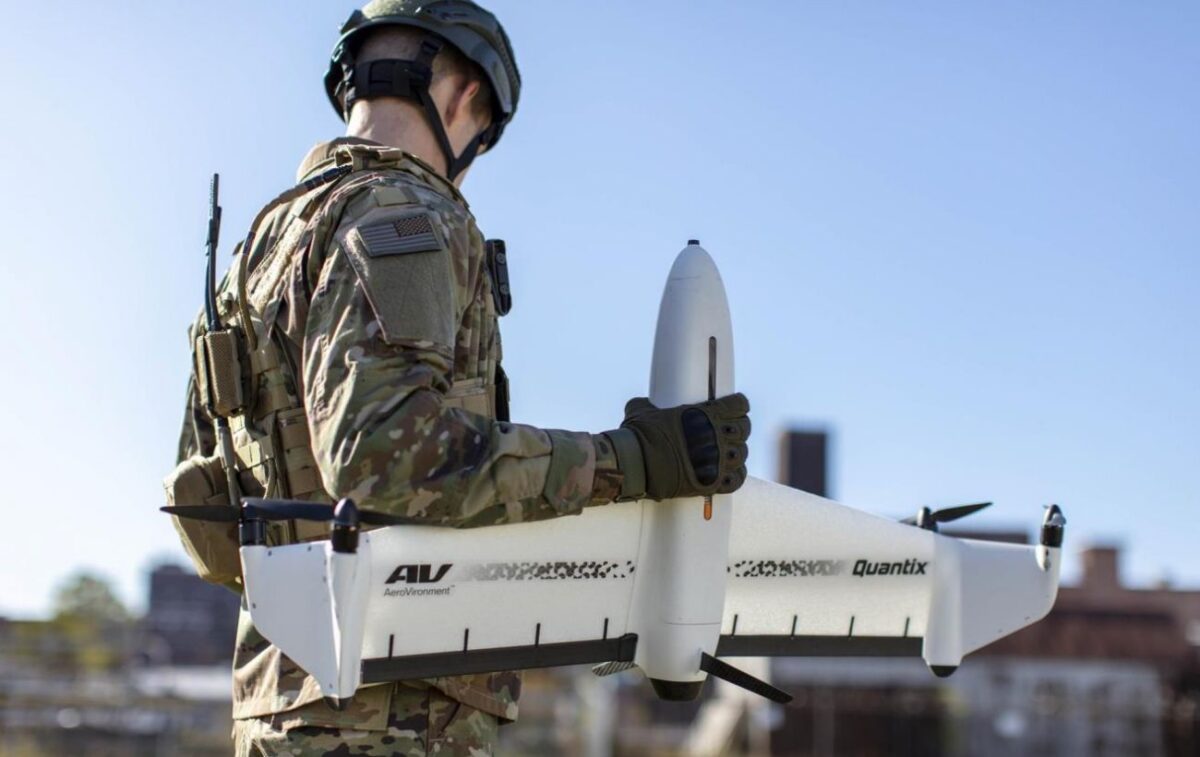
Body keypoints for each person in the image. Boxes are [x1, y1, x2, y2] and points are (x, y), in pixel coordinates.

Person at [168, 1, 752, 754]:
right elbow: (384, 456)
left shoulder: (257, 256)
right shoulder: (406, 215)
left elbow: (207, 511)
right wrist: (632, 461)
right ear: (463, 97)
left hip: (282, 705)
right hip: (392, 713)